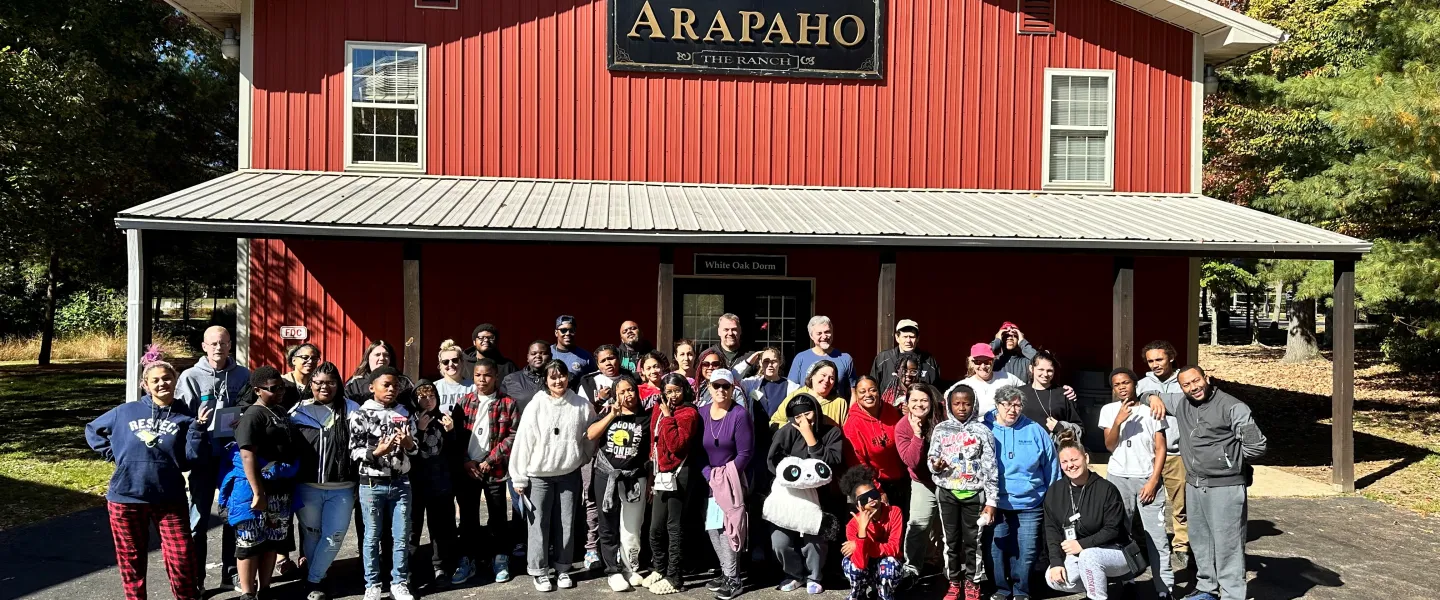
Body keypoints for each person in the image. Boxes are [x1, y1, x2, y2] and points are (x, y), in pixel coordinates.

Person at [87, 360, 211, 600]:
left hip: (168, 497)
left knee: (182, 557)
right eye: (155, 380)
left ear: (175, 381)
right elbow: (93, 430)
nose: (162, 383)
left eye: (166, 378)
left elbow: (190, 460)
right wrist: (115, 455)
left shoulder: (186, 416)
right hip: (126, 497)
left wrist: (198, 429)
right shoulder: (125, 411)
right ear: (146, 384)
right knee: (131, 558)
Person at [1146, 366, 1267, 600]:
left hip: (1226, 486)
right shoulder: (1181, 403)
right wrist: (1152, 397)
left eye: (1196, 381)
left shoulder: (1233, 407)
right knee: (1201, 542)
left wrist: (1228, 461)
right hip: (1194, 484)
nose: (1193, 387)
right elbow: (1144, 394)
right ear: (1180, 388)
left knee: (1228, 543)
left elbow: (1257, 446)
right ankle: (1206, 588)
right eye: (1186, 385)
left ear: (1206, 378)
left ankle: (1232, 594)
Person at [509, 360, 596, 592]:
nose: (558, 381)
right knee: (538, 524)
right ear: (546, 380)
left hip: (568, 473)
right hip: (538, 476)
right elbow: (523, 442)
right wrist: (519, 477)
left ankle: (563, 568)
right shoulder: (536, 405)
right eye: (553, 377)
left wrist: (583, 457)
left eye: (562, 376)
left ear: (568, 377)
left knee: (566, 523)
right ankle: (539, 571)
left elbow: (591, 435)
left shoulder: (581, 405)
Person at [176, 325, 249, 593]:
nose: (219, 347)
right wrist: (196, 425)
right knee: (198, 519)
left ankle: (232, 574)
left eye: (224, 342)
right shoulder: (190, 377)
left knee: (233, 515)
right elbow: (180, 416)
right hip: (204, 455)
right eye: (214, 343)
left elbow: (252, 408)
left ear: (231, 345)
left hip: (232, 455)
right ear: (204, 346)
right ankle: (197, 579)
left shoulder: (243, 375)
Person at [221, 367, 302, 600]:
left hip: (279, 488)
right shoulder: (253, 415)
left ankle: (265, 589)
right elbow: (247, 455)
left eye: (282, 388)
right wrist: (258, 492)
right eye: (273, 389)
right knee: (249, 543)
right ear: (257, 390)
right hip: (255, 490)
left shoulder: (278, 410)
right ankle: (248, 592)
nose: (279, 392)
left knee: (271, 541)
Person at [1100, 368, 1174, 599]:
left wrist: (1153, 481)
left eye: (1126, 382)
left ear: (1135, 384)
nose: (1121, 387)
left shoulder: (1151, 410)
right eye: (1116, 384)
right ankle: (1127, 579)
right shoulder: (1109, 410)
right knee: (1122, 531)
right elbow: (1110, 446)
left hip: (1146, 477)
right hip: (1118, 477)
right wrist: (1118, 421)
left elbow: (1160, 448)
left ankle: (1165, 588)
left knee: (1157, 535)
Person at [348, 366, 420, 600]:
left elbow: (416, 449)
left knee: (401, 536)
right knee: (372, 536)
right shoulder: (361, 414)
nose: (391, 389)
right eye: (386, 385)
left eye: (395, 385)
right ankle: (373, 584)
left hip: (401, 483)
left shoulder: (404, 412)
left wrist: (409, 444)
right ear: (372, 388)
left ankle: (399, 582)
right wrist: (376, 452)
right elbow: (354, 451)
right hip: (371, 484)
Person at [984, 384, 1060, 600]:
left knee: (1026, 552)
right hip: (996, 503)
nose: (1012, 410)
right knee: (996, 551)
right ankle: (1000, 589)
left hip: (1030, 503)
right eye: (1007, 405)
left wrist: (1050, 499)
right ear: (997, 405)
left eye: (1017, 405)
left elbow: (1051, 466)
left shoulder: (1035, 430)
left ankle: (1021, 591)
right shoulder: (985, 428)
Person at [290, 362, 359, 600]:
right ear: (311, 384)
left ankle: (312, 580)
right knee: (312, 534)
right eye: (318, 382)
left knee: (334, 535)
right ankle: (319, 579)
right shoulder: (299, 411)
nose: (324, 387)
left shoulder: (352, 409)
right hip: (308, 486)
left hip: (343, 487)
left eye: (330, 382)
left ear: (338, 384)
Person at [450, 358, 520, 586]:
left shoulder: (507, 403)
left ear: (495, 376)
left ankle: (499, 558)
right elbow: (456, 437)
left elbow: (513, 434)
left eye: (487, 375)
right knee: (468, 519)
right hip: (468, 469)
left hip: (495, 469)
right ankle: (468, 559)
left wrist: (490, 459)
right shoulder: (464, 402)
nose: (482, 380)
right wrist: (466, 461)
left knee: (498, 517)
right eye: (478, 375)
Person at [766, 393, 845, 594]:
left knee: (815, 541)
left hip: (819, 498)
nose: (804, 420)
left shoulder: (831, 432)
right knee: (780, 542)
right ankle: (794, 574)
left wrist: (810, 437)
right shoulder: (786, 432)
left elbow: (832, 462)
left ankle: (814, 576)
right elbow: (773, 460)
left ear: (817, 412)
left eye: (808, 413)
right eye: (798, 417)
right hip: (788, 497)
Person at [1042, 432, 1134, 600]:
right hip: (1079, 554)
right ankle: (1098, 582)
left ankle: (1097, 596)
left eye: (1074, 459)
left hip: (1116, 550)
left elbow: (1113, 530)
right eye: (1065, 462)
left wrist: (1081, 545)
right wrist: (1055, 562)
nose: (1070, 465)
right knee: (1053, 578)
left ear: (1086, 458)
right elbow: (1052, 530)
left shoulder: (1106, 489)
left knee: (1089, 556)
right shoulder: (1055, 491)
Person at [928, 384, 1000, 600]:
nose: (962, 408)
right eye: (957, 403)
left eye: (967, 404)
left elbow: (991, 467)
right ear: (949, 405)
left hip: (974, 495)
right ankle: (953, 581)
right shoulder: (941, 430)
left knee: (972, 542)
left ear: (974, 405)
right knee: (950, 541)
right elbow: (931, 458)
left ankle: (972, 582)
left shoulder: (983, 432)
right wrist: (936, 465)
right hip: (947, 493)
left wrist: (992, 500)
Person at [585, 374, 653, 592]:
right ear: (615, 395)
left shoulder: (647, 418)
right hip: (607, 475)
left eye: (630, 390)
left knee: (632, 527)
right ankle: (612, 571)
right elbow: (590, 435)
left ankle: (630, 567)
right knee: (607, 525)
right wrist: (611, 415)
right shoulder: (608, 414)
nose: (627, 395)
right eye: (622, 391)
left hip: (635, 477)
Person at [641, 373, 702, 595]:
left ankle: (675, 577)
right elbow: (654, 441)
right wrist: (652, 472)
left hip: (679, 473)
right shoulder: (659, 407)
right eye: (668, 391)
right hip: (660, 473)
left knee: (673, 526)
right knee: (655, 526)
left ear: (684, 390)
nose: (673, 395)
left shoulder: (689, 413)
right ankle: (659, 567)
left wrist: (668, 417)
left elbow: (677, 445)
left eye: (677, 390)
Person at [700, 369, 754, 600]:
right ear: (709, 388)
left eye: (726, 386)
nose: (721, 390)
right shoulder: (702, 413)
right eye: (716, 386)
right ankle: (726, 572)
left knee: (729, 529)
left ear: (733, 389)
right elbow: (697, 451)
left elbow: (745, 452)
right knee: (714, 528)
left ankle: (734, 579)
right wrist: (709, 475)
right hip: (710, 480)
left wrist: (724, 477)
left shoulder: (739, 414)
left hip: (732, 481)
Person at [1137, 339, 1188, 569]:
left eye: (1159, 359)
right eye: (1150, 361)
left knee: (1181, 503)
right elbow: (1139, 396)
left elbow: (1189, 404)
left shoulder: (1185, 380)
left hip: (1178, 453)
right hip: (1150, 455)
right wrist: (1150, 396)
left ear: (1171, 357)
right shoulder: (1142, 384)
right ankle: (1148, 545)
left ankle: (1182, 546)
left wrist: (1156, 397)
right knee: (1149, 504)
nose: (1155, 364)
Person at [576, 345, 627, 571]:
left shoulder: (629, 380)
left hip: (619, 449)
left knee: (618, 500)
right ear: (597, 364)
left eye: (612, 358)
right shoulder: (587, 383)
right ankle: (591, 549)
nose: (609, 363)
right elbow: (582, 419)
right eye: (604, 360)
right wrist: (599, 402)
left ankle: (616, 549)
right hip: (592, 451)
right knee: (592, 500)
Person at [408, 380, 458, 591]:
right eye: (423, 397)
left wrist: (451, 431)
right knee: (412, 529)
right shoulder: (411, 419)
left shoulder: (443, 419)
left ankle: (440, 568)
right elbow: (409, 451)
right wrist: (419, 430)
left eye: (432, 397)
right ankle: (409, 571)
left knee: (441, 529)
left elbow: (454, 453)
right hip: (415, 485)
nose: (428, 402)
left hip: (441, 484)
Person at [894, 383, 942, 585]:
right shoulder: (902, 427)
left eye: (924, 400)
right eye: (914, 400)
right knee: (918, 525)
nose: (919, 404)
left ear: (931, 401)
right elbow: (911, 461)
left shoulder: (942, 418)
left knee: (946, 528)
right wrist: (917, 434)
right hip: (922, 482)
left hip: (948, 480)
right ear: (907, 403)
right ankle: (912, 568)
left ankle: (948, 569)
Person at [843, 376, 908, 514]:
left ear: (879, 391)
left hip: (901, 478)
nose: (868, 395)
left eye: (872, 390)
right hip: (876, 483)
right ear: (857, 395)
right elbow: (858, 463)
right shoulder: (853, 424)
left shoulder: (891, 411)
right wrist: (877, 490)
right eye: (862, 391)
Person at [839, 466, 905, 600]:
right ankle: (858, 593)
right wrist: (862, 531)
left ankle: (885, 594)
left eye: (873, 494)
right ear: (858, 505)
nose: (871, 500)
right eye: (864, 499)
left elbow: (894, 548)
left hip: (884, 567)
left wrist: (861, 546)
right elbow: (860, 564)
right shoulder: (852, 525)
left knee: (891, 564)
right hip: (865, 568)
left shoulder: (894, 512)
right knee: (850, 564)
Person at [1018, 351, 1083, 443]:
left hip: (1055, 449)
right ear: (1031, 368)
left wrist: (1059, 427)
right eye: (1041, 369)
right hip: (1024, 447)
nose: (1045, 374)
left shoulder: (1064, 394)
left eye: (1049, 370)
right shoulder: (1019, 393)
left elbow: (1080, 429)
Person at [787, 316, 858, 398]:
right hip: (807, 409)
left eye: (827, 332)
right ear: (811, 336)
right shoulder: (801, 358)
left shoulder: (845, 359)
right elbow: (791, 392)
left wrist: (850, 410)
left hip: (836, 409)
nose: (824, 337)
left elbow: (854, 392)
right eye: (819, 333)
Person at [769, 360, 850, 428]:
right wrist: (796, 429)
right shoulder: (797, 396)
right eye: (823, 375)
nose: (827, 380)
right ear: (812, 376)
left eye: (832, 378)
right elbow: (775, 422)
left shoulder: (839, 402)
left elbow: (844, 432)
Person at [870, 319, 940, 391]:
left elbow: (936, 391)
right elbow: (873, 387)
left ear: (918, 338)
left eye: (912, 337)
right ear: (897, 337)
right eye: (905, 337)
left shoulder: (928, 361)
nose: (908, 341)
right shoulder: (883, 359)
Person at [345, 340, 416, 409]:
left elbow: (414, 406)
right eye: (377, 355)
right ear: (368, 358)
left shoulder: (403, 381)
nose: (382, 358)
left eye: (386, 355)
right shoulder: (354, 383)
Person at [958, 343, 1025, 415]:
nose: (983, 366)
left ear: (993, 361)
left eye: (987, 362)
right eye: (978, 362)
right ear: (972, 363)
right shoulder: (965, 385)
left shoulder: (1007, 377)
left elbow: (1028, 391)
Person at [501, 341, 552, 413]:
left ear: (551, 356)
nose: (538, 356)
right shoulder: (511, 380)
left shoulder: (561, 379)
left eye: (542, 353)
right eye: (533, 353)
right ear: (527, 357)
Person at [434, 340, 474, 415]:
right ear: (440, 366)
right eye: (445, 362)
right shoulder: (434, 387)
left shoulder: (473, 387)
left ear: (462, 362)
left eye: (455, 360)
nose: (450, 364)